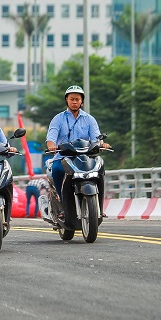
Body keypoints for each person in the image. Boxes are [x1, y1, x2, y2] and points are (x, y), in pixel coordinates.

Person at [46, 85, 110, 221]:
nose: (74, 102)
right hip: (64, 157)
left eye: (77, 99)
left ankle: (99, 206)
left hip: (85, 157)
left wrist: (101, 144)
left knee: (101, 167)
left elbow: (96, 138)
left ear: (82, 101)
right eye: (72, 99)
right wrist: (51, 146)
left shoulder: (90, 119)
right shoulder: (58, 119)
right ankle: (62, 203)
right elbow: (51, 137)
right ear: (66, 100)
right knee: (57, 170)